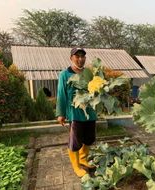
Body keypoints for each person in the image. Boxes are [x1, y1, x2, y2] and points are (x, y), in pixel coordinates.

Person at [56, 47, 97, 177]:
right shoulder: (65, 74)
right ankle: (76, 166)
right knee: (75, 141)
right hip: (75, 113)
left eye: (82, 56)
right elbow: (61, 94)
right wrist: (60, 114)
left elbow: (94, 90)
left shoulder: (89, 73)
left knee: (89, 138)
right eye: (77, 56)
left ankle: (83, 159)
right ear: (71, 58)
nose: (80, 59)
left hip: (90, 112)